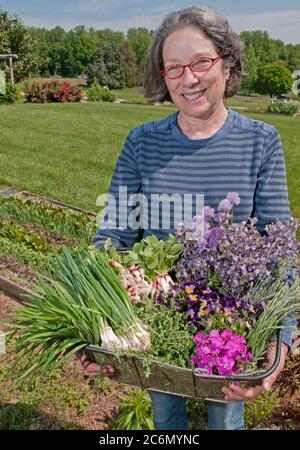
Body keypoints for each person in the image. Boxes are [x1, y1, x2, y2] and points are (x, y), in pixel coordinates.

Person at [78, 5, 296, 430]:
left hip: (231, 326)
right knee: (167, 416)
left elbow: (279, 252)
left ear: (227, 63)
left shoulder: (260, 142)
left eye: (200, 62)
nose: (188, 79)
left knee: (226, 414)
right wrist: (96, 324)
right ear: (162, 76)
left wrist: (278, 349)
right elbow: (114, 235)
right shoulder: (143, 143)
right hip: (159, 319)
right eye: (173, 68)